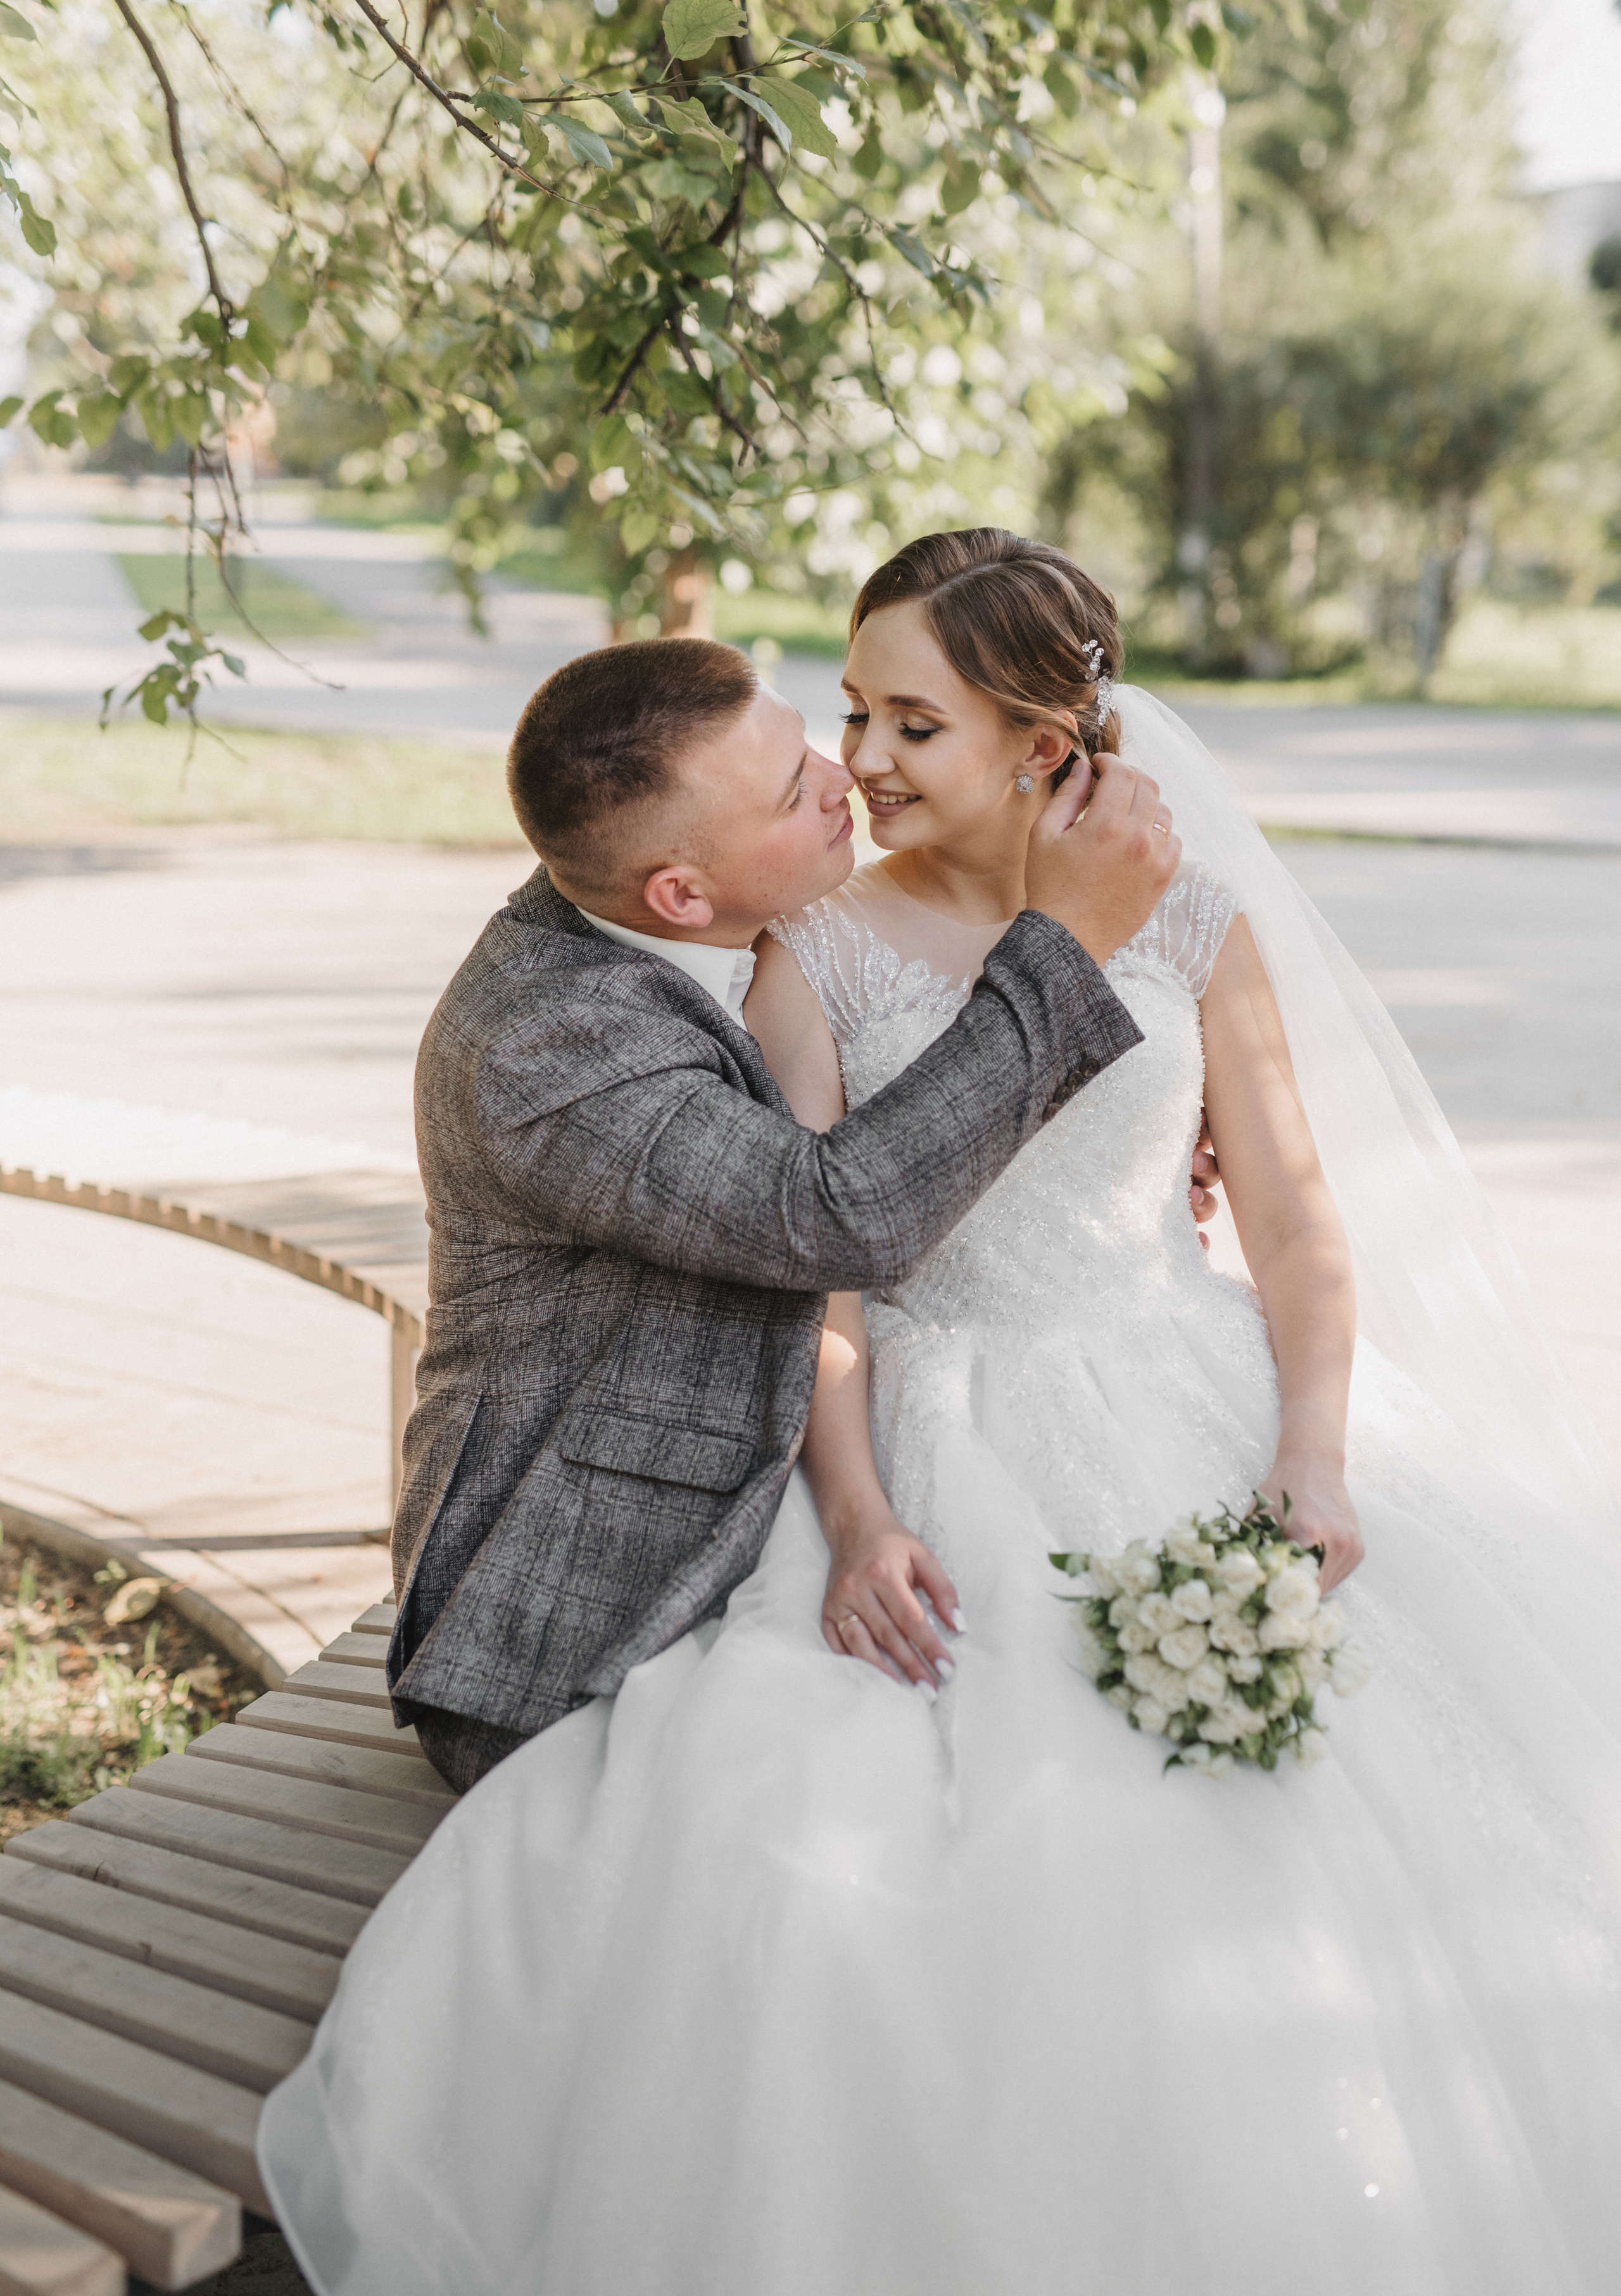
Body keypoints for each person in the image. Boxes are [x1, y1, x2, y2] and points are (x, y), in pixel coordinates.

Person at [260, 534, 1621, 2296]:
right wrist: (867, 1510)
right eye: (847, 722)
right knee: (859, 1847)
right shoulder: (796, 957)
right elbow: (833, 1258)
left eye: (912, 722)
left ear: (1047, 745)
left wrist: (1311, 1446)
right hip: (918, 1415)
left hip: (1172, 1367)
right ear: (684, 888)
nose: (865, 764)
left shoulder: (1196, 921)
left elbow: (1291, 1214)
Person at [383, 630, 1180, 1794]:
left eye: (804, 738)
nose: (840, 775)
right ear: (680, 892)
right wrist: (1067, 952)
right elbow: (837, 1211)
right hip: (593, 1593)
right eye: (788, 789)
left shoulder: (684, 912)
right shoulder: (547, 1042)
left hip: (806, 1476)